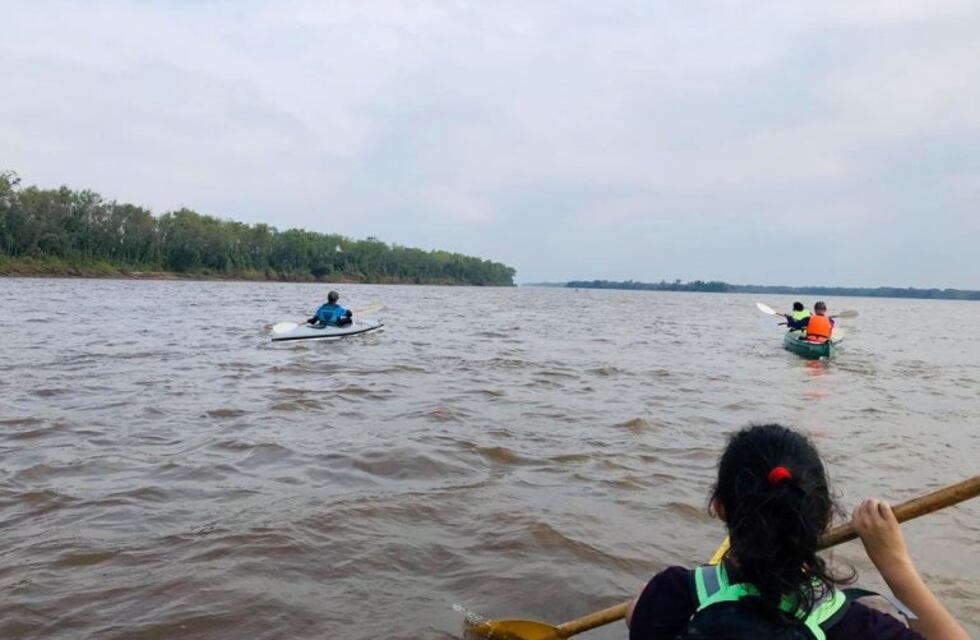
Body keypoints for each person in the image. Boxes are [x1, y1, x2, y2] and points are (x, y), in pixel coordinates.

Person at [626, 424, 968, 640]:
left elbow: (639, 616)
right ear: (824, 519)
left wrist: (642, 607)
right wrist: (895, 564)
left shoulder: (671, 594)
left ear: (719, 507)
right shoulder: (862, 628)